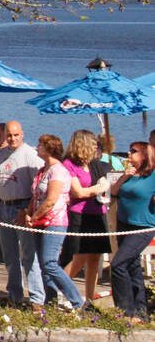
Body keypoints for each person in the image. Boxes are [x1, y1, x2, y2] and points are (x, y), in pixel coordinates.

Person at [0, 120, 45, 308]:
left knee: (29, 255)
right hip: (4, 206)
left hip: (22, 207)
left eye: (15, 135)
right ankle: (14, 295)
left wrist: (27, 210)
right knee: (9, 254)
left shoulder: (31, 155)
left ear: (22, 134)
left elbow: (38, 187)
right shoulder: (1, 154)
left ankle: (37, 298)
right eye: (9, 135)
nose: (12, 139)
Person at [27, 133, 85, 309]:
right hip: (39, 222)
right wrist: (29, 214)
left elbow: (51, 199)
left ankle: (76, 300)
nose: (37, 148)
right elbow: (36, 196)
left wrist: (36, 216)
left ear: (49, 149)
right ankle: (50, 302)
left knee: (50, 263)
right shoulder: (42, 170)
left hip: (54, 221)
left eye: (40, 145)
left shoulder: (58, 170)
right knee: (44, 264)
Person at [60, 129, 111, 301]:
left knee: (95, 258)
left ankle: (89, 298)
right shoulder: (69, 164)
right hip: (79, 214)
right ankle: (60, 293)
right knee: (78, 257)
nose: (95, 147)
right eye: (92, 144)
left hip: (98, 212)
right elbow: (78, 193)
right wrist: (97, 188)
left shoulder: (94, 163)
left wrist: (99, 187)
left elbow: (104, 181)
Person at [108, 140, 155, 323]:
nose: (128, 154)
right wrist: (123, 177)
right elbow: (113, 192)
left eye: (133, 151)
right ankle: (141, 311)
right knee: (132, 266)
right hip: (124, 224)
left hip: (143, 226)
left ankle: (125, 310)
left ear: (144, 155)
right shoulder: (130, 174)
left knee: (118, 264)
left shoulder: (152, 175)